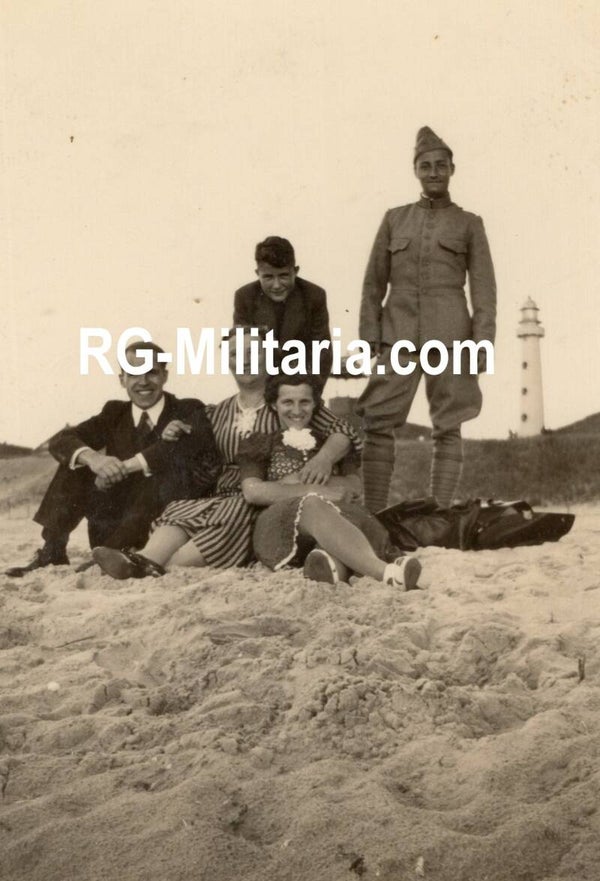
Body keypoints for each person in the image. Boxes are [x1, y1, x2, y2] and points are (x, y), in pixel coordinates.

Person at [92, 327, 361, 579]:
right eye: (234, 354)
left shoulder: (287, 403)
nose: (244, 360)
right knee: (179, 510)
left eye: (253, 352)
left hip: (263, 499)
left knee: (228, 516)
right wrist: (176, 430)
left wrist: (324, 458)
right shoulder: (216, 411)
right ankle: (144, 559)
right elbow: (187, 441)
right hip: (220, 496)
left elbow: (342, 429)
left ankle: (159, 567)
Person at [357, 126, 496, 512]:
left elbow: (484, 290)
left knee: (449, 426)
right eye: (425, 166)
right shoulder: (394, 219)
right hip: (397, 334)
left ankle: (440, 512)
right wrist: (370, 337)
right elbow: (373, 284)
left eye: (440, 166)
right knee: (378, 423)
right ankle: (374, 513)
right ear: (415, 171)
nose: (433, 172)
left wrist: (483, 341)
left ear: (452, 169)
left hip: (452, 337)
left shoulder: (470, 224)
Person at [6, 342, 220, 577]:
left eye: (152, 372)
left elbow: (187, 449)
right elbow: (62, 440)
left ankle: (116, 554)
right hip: (111, 520)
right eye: (134, 374)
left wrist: (120, 469)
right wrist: (95, 460)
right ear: (122, 379)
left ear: (165, 375)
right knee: (76, 461)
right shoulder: (113, 413)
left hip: (158, 525)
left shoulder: (187, 408)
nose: (143, 382)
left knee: (169, 470)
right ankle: (53, 550)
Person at [236, 374, 422, 588]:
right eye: (287, 402)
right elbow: (253, 491)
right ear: (273, 404)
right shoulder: (259, 442)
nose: (297, 410)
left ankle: (331, 570)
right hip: (280, 522)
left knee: (331, 545)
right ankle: (386, 573)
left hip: (336, 519)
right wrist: (314, 490)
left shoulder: (329, 443)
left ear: (315, 404)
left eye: (304, 402)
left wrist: (291, 483)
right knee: (313, 504)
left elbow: (354, 486)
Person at [232, 236, 333, 385]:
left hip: (301, 382)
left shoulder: (314, 296)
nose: (277, 285)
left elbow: (321, 353)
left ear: (295, 271)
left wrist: (311, 392)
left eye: (283, 276)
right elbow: (243, 353)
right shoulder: (245, 297)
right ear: (257, 273)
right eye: (268, 277)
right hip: (261, 384)